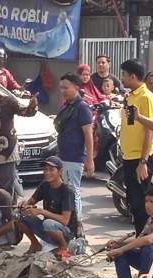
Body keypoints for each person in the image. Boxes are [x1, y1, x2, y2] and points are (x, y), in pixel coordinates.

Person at [119, 59, 153, 234]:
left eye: (124, 75)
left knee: (142, 204)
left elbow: (150, 130)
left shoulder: (146, 97)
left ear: (133, 76)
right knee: (133, 203)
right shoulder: (130, 95)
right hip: (129, 156)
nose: (122, 79)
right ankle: (139, 237)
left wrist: (143, 161)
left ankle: (146, 242)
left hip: (142, 158)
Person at [18, 156, 77, 258]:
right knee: (18, 214)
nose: (47, 173)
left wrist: (41, 211)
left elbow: (65, 220)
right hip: (48, 230)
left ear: (60, 171)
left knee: (48, 223)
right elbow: (31, 202)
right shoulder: (44, 185)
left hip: (65, 232)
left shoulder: (67, 191)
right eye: (45, 169)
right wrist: (24, 205)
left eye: (51, 170)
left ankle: (63, 246)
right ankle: (35, 244)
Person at [55, 73, 95, 219]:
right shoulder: (67, 106)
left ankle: (77, 225)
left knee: (73, 193)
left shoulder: (82, 108)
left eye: (66, 87)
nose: (63, 91)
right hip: (63, 156)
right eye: (61, 88)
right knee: (66, 193)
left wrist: (89, 159)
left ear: (76, 87)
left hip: (74, 158)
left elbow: (88, 135)